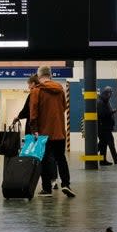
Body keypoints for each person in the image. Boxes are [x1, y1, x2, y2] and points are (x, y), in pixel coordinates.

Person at [29, 65, 75, 197]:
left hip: (44, 132)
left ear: (39, 76)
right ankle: (66, 184)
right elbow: (63, 107)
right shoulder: (60, 89)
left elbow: (33, 113)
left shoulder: (36, 91)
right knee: (61, 158)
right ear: (50, 75)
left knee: (44, 159)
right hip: (59, 131)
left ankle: (47, 189)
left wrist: (34, 129)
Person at [97, 86, 117, 166]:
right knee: (110, 143)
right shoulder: (100, 102)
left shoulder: (105, 102)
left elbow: (105, 112)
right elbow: (102, 114)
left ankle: (102, 161)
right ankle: (116, 160)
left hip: (105, 127)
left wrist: (111, 111)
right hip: (103, 127)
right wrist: (111, 112)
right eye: (109, 93)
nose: (110, 95)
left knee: (103, 144)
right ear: (106, 93)